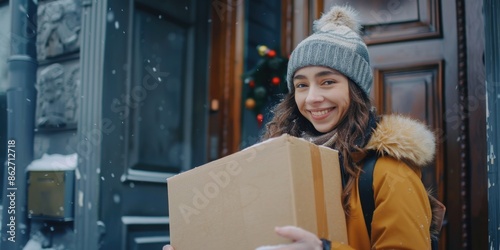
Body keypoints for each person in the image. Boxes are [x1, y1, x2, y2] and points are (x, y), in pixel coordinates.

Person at [164, 4, 443, 250]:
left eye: (327, 82)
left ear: (355, 89)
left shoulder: (389, 172)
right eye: (301, 85)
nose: (312, 98)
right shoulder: (276, 162)